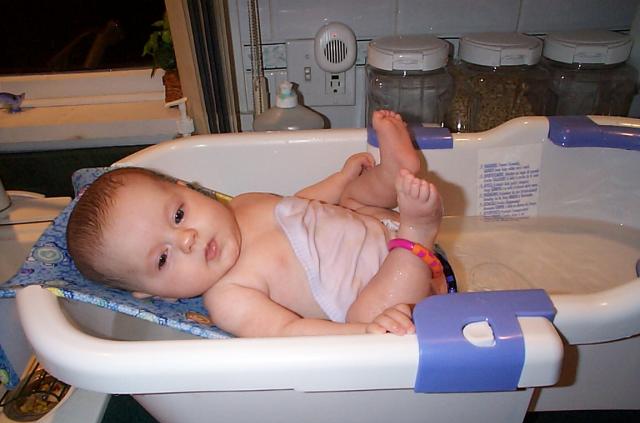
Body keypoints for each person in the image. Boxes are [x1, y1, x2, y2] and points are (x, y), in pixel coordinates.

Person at [67, 110, 445, 337]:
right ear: (157, 293)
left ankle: (393, 173)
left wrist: (341, 178)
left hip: (377, 225)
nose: (187, 240)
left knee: (353, 199)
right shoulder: (229, 297)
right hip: (399, 291)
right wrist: (362, 332)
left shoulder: (242, 203)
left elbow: (300, 203)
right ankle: (419, 230)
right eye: (162, 259)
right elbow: (287, 332)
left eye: (179, 216)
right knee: (365, 313)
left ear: (188, 189)